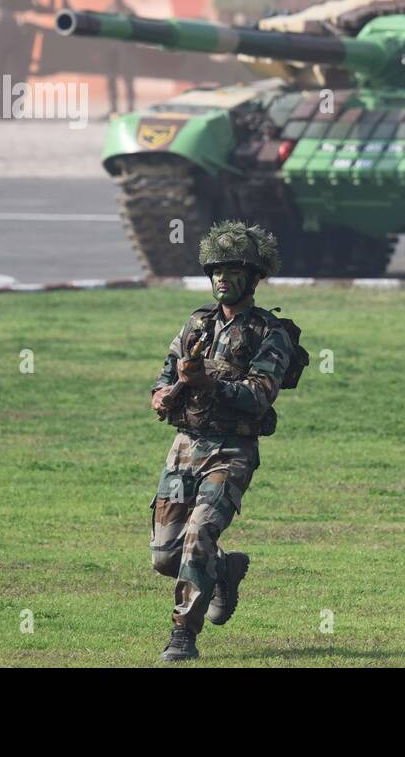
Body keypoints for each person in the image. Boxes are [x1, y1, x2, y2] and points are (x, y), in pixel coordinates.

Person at [148, 221, 298, 662]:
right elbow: (166, 372)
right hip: (184, 447)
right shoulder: (197, 323)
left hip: (231, 451)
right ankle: (224, 571)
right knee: (163, 555)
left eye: (232, 271)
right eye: (216, 271)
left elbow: (257, 396)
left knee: (197, 536)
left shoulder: (270, 334)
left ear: (252, 278)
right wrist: (163, 392)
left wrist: (208, 384)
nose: (221, 280)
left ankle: (182, 636)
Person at [103, 0, 136, 114]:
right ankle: (113, 109)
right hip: (112, 51)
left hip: (125, 50)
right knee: (111, 80)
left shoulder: (128, 12)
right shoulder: (109, 11)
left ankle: (130, 108)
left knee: (128, 81)